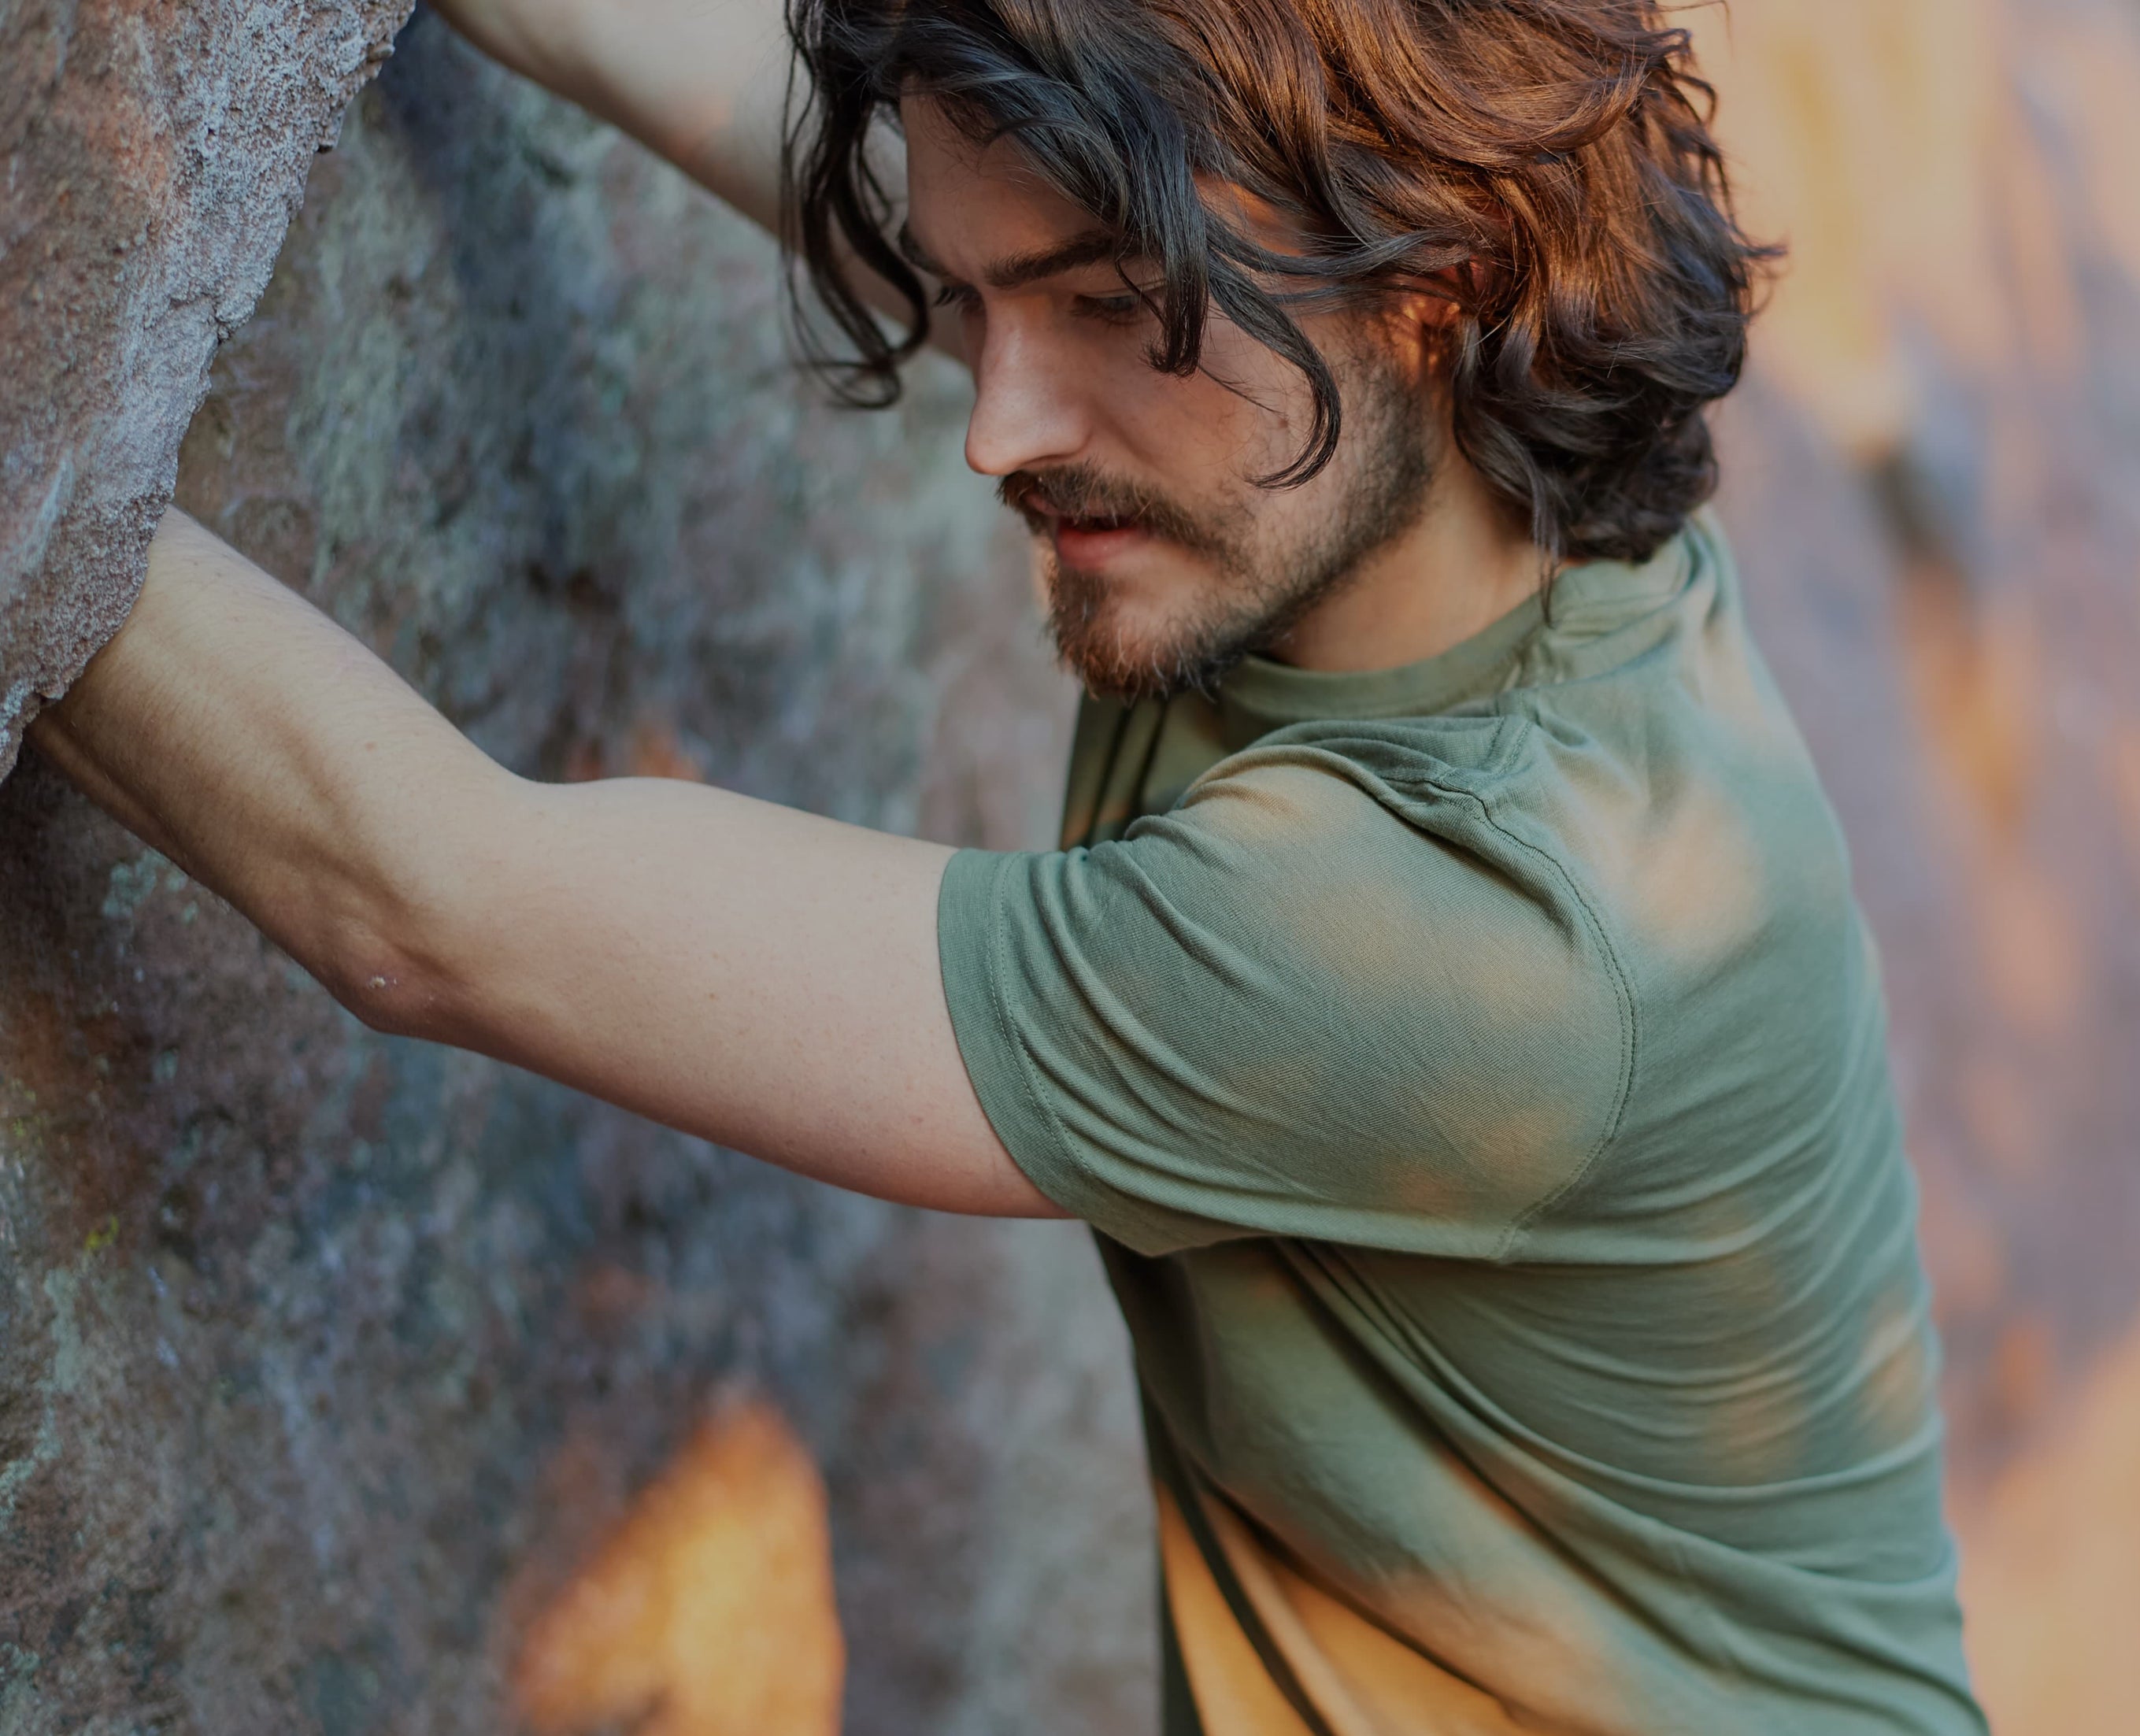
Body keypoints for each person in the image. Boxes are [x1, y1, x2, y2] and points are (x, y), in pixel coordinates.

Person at [30, 1, 1987, 1729]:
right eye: (975, 302)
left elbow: (430, 906)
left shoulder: (1464, 935)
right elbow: (668, 50)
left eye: (1108, 310)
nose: (1001, 427)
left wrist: (38, 434)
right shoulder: (1473, 480)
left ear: (1445, 265)